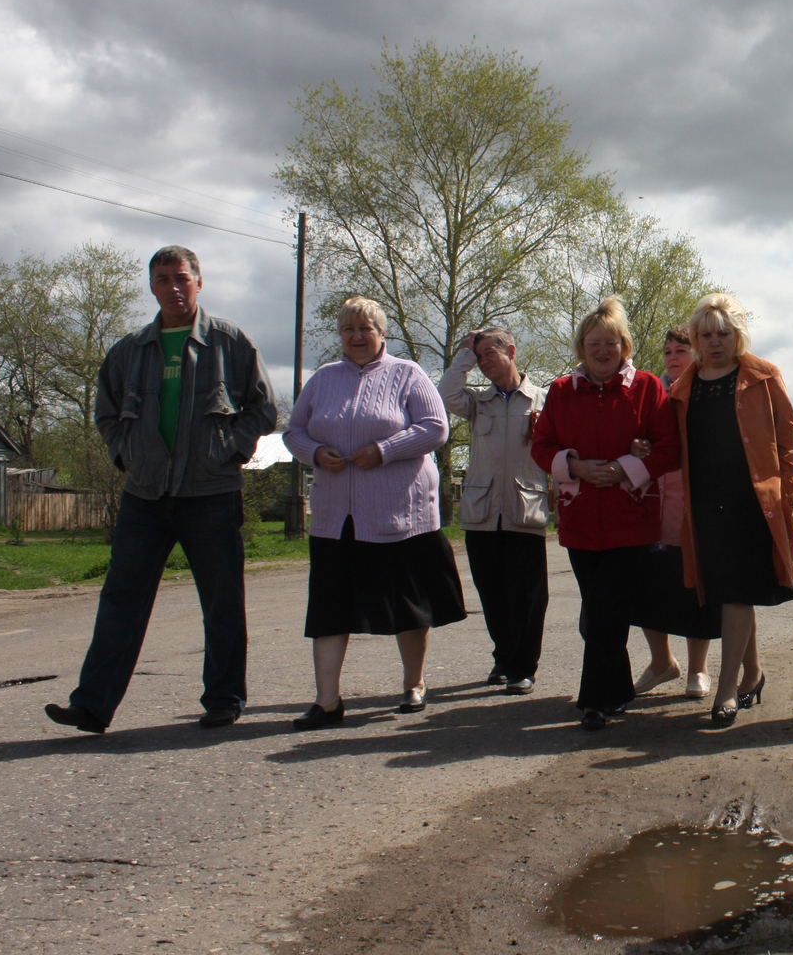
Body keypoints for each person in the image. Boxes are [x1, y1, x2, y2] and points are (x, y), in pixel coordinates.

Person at [45, 245, 276, 735]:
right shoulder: (130, 350)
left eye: (181, 277)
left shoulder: (230, 344)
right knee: (120, 600)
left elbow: (263, 409)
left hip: (210, 494)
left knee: (221, 602)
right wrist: (125, 455)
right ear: (152, 286)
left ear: (199, 281)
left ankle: (223, 699)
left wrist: (229, 451)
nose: (172, 287)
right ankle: (92, 706)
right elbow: (106, 414)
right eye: (162, 279)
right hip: (145, 496)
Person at [282, 297, 463, 728]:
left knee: (407, 605)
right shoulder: (324, 378)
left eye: (366, 329)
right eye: (348, 330)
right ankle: (327, 701)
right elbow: (294, 430)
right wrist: (314, 452)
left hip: (397, 516)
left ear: (382, 334)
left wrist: (384, 451)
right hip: (334, 518)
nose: (357, 337)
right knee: (328, 608)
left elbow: (437, 427)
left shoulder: (407, 374)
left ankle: (413, 684)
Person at [531, 297, 679, 730]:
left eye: (610, 343)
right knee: (599, 611)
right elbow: (541, 446)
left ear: (624, 347)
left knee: (607, 609)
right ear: (581, 347)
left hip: (631, 521)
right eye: (594, 343)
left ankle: (594, 700)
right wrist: (573, 467)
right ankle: (617, 690)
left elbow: (669, 448)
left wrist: (623, 470)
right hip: (579, 522)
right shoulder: (560, 392)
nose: (602, 351)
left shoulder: (649, 388)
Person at [669, 293, 793, 726]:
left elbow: (790, 439)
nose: (714, 342)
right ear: (695, 338)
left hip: (752, 504)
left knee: (736, 591)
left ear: (737, 335)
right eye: (706, 334)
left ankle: (726, 689)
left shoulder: (764, 376)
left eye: (723, 333)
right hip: (706, 504)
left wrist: (783, 492)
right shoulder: (682, 388)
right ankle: (753, 672)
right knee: (729, 591)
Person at [438, 326, 549, 695]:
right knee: (492, 591)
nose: (484, 362)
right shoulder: (477, 402)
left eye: (489, 353)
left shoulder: (543, 400)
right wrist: (464, 355)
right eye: (479, 355)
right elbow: (446, 393)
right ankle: (503, 658)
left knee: (529, 595)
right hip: (482, 512)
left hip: (525, 509)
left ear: (511, 351)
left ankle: (524, 666)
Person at [631, 324, 717, 700]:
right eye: (667, 352)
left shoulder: (707, 390)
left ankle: (698, 670)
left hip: (695, 508)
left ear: (696, 353)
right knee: (650, 591)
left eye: (680, 350)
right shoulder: (651, 392)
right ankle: (662, 662)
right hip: (651, 507)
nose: (672, 358)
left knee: (695, 593)